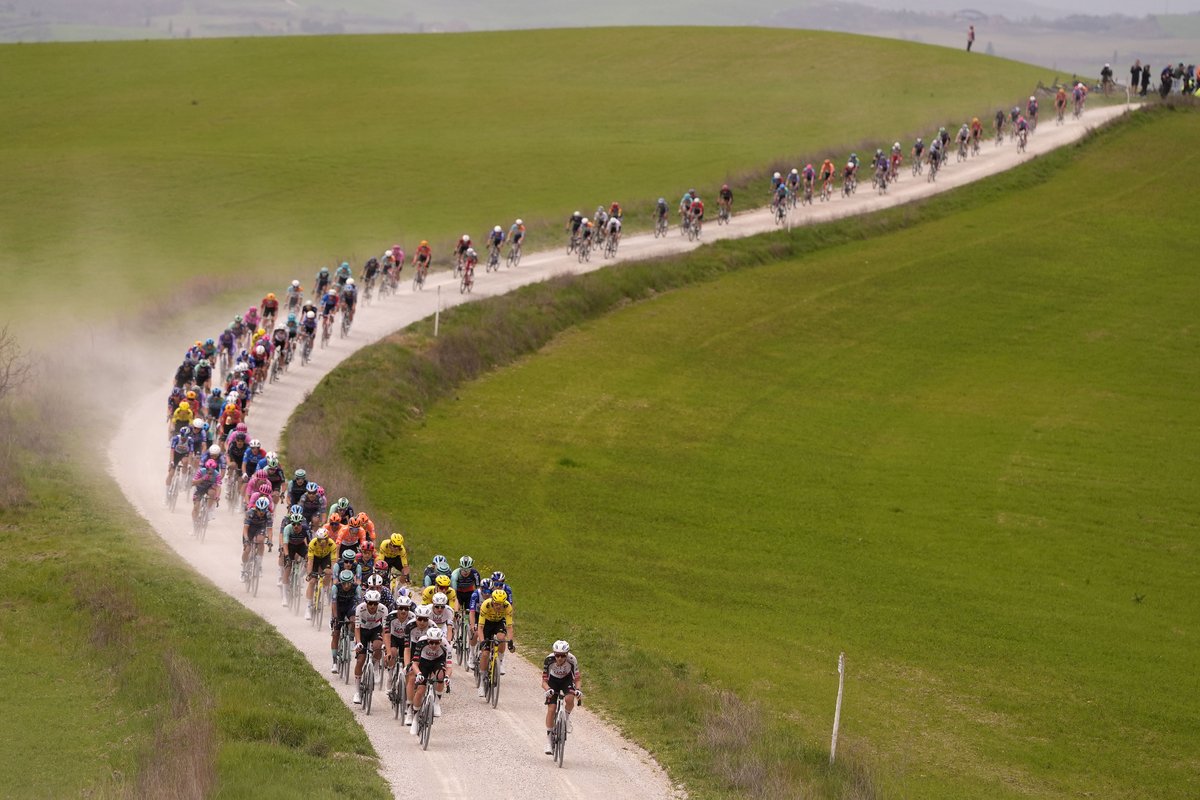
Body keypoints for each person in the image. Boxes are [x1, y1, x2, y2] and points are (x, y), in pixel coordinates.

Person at [542, 640, 582, 754]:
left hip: (566, 680)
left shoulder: (572, 660)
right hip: (553, 681)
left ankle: (567, 718)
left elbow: (577, 679)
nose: (559, 658)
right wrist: (548, 689)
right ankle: (549, 742)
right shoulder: (548, 660)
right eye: (557, 655)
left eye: (562, 655)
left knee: (569, 698)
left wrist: (578, 690)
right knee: (551, 708)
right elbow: (544, 681)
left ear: (567, 654)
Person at [474, 589, 514, 691]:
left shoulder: (508, 606)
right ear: (492, 601)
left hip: (498, 622)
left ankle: (499, 661)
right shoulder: (485, 605)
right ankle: (482, 683)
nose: (498, 607)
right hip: (486, 624)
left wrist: (510, 641)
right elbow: (480, 627)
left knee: (501, 638)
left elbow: (509, 627)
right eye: (496, 604)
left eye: (501, 604)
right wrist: (482, 641)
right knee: (485, 654)